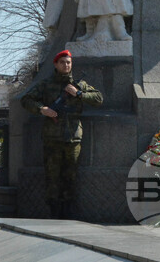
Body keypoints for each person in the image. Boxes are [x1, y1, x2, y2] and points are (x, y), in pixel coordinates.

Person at [20, 50, 104, 219]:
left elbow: (98, 98)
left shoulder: (79, 84)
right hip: (52, 138)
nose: (66, 65)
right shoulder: (46, 84)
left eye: (69, 62)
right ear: (56, 64)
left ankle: (67, 212)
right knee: (52, 177)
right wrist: (42, 109)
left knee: (70, 177)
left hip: (72, 137)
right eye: (63, 62)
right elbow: (26, 99)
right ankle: (54, 211)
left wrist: (79, 94)